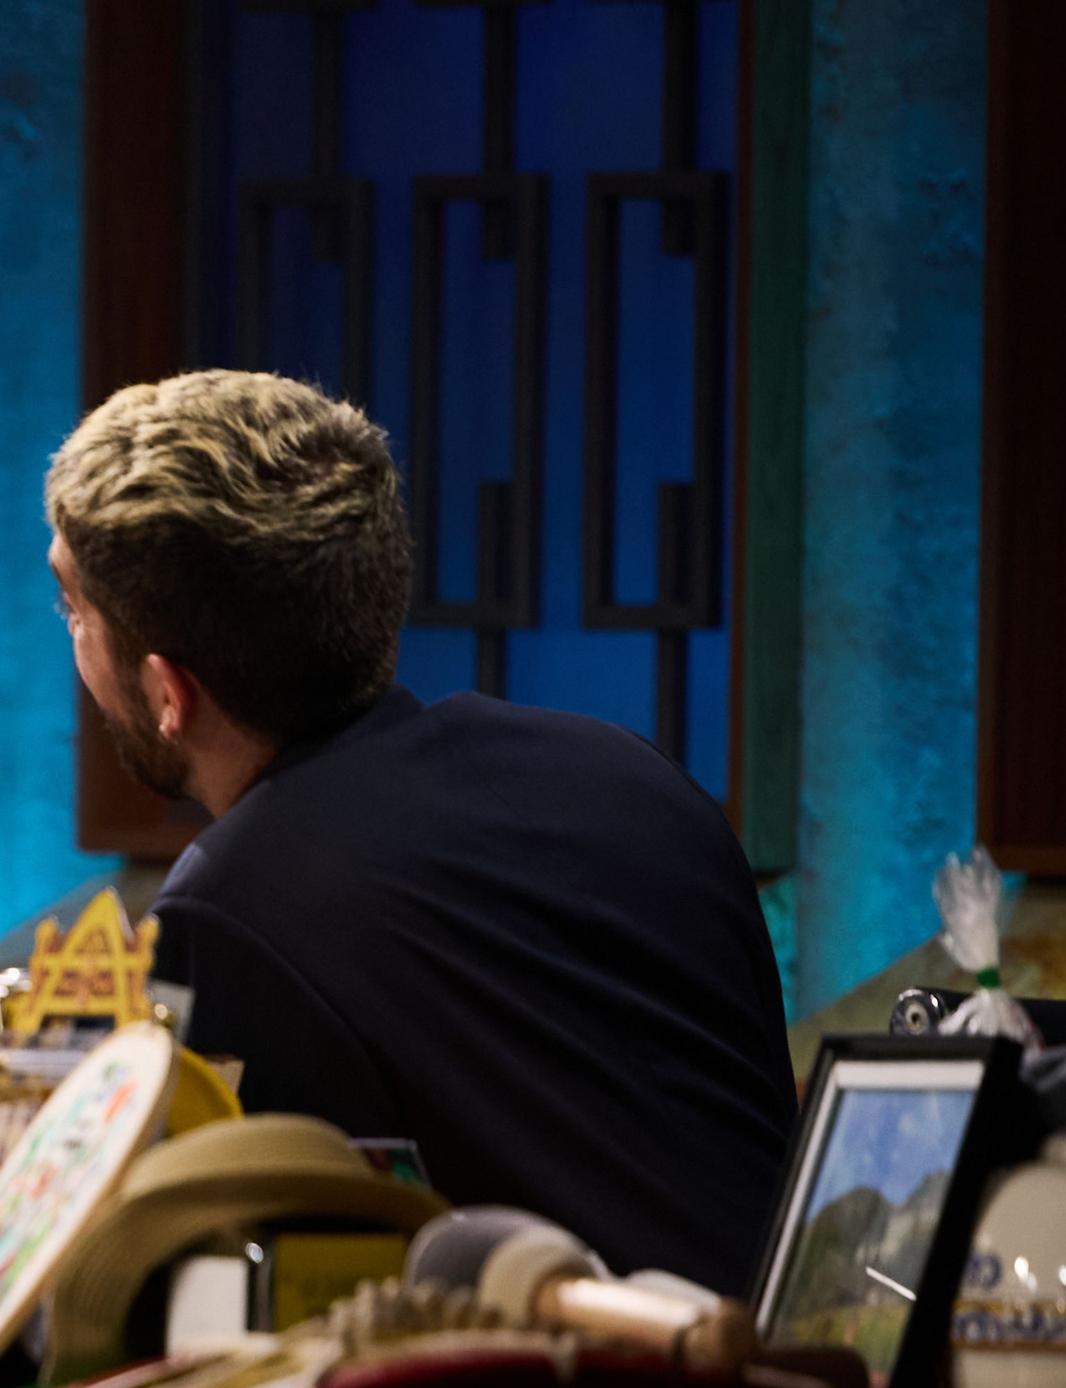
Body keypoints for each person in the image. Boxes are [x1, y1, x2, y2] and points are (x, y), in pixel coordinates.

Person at [42, 370, 792, 1293]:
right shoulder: (633, 775)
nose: (72, 640)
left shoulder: (225, 913)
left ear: (168, 692)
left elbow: (256, 1299)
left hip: (591, 1381)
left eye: (74, 611)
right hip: (818, 1368)